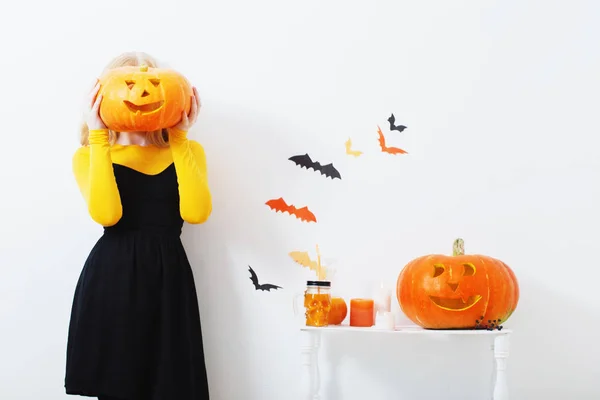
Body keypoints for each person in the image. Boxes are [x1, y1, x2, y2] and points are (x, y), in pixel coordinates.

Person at [65, 51, 212, 400]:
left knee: (171, 386)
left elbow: (196, 213)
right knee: (118, 387)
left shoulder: (189, 151)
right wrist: (100, 135)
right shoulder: (88, 155)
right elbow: (107, 215)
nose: (140, 92)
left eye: (151, 83)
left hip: (168, 280)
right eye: (128, 84)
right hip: (113, 279)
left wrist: (179, 136)